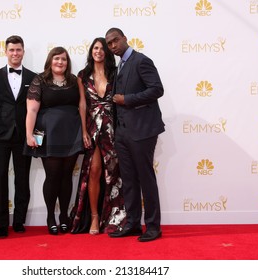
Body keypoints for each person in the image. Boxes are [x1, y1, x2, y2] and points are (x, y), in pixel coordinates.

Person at [105, 28, 165, 242]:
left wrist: (127, 99)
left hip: (142, 131)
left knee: (145, 178)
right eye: (109, 43)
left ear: (125, 39)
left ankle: (153, 226)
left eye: (115, 41)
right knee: (129, 180)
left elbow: (157, 89)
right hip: (122, 132)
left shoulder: (141, 61)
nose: (112, 46)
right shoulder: (119, 66)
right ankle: (132, 223)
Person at [24, 47, 83, 235]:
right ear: (50, 60)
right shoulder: (40, 80)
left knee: (66, 175)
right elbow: (32, 110)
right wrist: (28, 135)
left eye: (64, 59)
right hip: (48, 134)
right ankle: (50, 217)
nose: (60, 62)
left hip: (72, 132)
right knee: (53, 176)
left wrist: (84, 131)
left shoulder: (75, 80)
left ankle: (64, 216)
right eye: (57, 58)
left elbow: (81, 105)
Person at [70, 38, 126, 235]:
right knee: (94, 171)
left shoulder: (115, 72)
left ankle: (113, 216)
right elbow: (82, 104)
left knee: (113, 173)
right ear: (91, 51)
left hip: (113, 128)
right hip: (93, 127)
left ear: (107, 52)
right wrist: (84, 131)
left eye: (102, 48)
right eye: (95, 48)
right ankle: (94, 217)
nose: (99, 51)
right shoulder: (83, 75)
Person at [0, 35, 36, 238]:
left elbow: (37, 109)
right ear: (6, 52)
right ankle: (2, 223)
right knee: (0, 180)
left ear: (23, 52)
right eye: (12, 50)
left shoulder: (33, 77)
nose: (15, 53)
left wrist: (34, 135)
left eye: (19, 50)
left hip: (24, 136)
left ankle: (19, 221)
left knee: (22, 180)